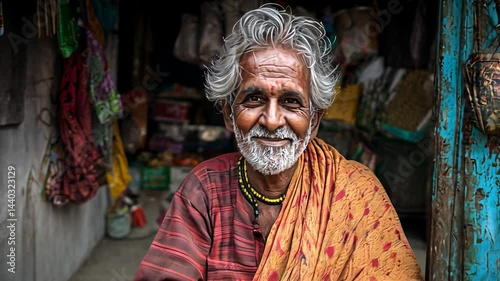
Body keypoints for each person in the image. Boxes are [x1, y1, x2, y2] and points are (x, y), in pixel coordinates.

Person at [134, 4, 424, 281]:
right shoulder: (205, 190)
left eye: (290, 101)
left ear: (314, 121)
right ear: (228, 115)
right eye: (254, 98)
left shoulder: (356, 193)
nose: (272, 121)